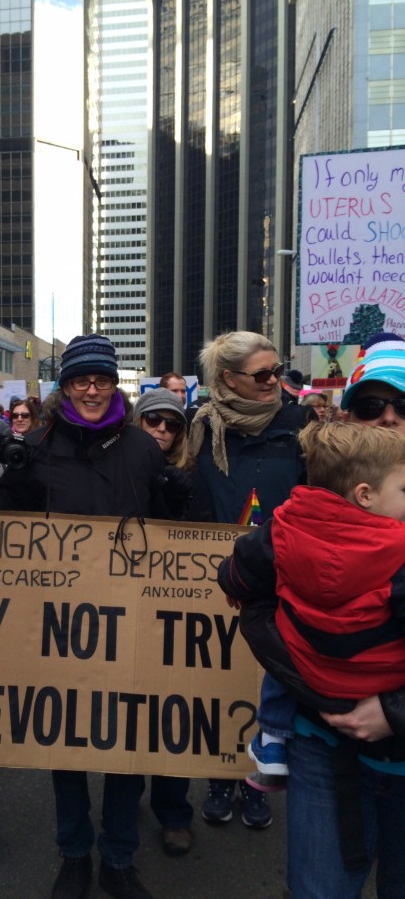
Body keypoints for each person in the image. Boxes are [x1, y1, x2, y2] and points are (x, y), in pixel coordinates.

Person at [0, 335, 190, 899]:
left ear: (115, 384)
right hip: (59, 622)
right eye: (80, 380)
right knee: (64, 743)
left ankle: (118, 857)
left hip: (132, 617)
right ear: (65, 386)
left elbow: (167, 532)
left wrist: (176, 497)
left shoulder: (142, 449)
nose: (92, 390)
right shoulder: (37, 444)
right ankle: (73, 853)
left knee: (127, 745)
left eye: (102, 379)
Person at [222, 426, 405, 899]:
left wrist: (394, 710)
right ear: (365, 493)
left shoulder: (286, 526)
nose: (388, 418)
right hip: (323, 746)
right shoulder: (397, 549)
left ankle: (270, 743)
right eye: (371, 408)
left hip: (326, 717)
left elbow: (240, 570)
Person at [186, 330, 307, 829]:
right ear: (228, 379)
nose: (274, 381)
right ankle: (220, 776)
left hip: (283, 572)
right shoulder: (199, 426)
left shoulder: (300, 423)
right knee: (217, 679)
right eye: (262, 375)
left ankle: (256, 781)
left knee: (267, 678)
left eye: (276, 371)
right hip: (216, 575)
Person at [131, 388, 213, 859]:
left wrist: (179, 502)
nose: (162, 430)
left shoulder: (192, 474)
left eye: (172, 424)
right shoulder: (119, 466)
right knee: (126, 709)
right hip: (124, 604)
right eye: (153, 421)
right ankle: (125, 802)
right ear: (138, 422)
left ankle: (174, 811)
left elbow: (204, 538)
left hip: (175, 608)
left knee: (173, 712)